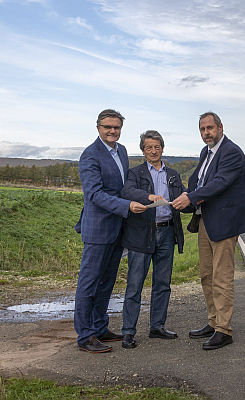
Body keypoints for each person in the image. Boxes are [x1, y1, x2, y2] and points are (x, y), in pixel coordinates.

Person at [74, 109, 147, 353]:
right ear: (98, 128)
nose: (112, 131)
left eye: (116, 127)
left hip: (118, 228)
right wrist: (127, 206)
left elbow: (123, 187)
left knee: (107, 282)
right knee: (89, 283)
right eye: (107, 127)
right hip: (97, 229)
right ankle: (85, 336)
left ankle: (99, 327)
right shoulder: (90, 156)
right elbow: (94, 195)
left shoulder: (122, 151)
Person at [181, 111, 245, 350]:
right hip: (205, 221)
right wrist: (185, 195)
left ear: (220, 127)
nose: (206, 133)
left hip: (224, 223)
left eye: (210, 128)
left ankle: (224, 330)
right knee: (206, 275)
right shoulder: (206, 153)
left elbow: (219, 183)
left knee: (221, 278)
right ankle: (213, 322)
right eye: (202, 129)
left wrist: (191, 197)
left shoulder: (231, 152)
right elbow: (198, 180)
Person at [119, 130, 187, 349]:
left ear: (162, 148)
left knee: (163, 283)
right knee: (135, 284)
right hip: (141, 233)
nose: (153, 151)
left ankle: (157, 326)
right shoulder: (135, 173)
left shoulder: (173, 174)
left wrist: (191, 201)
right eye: (149, 147)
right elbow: (126, 191)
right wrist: (148, 196)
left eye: (157, 147)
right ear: (143, 150)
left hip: (167, 233)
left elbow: (184, 197)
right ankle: (128, 331)